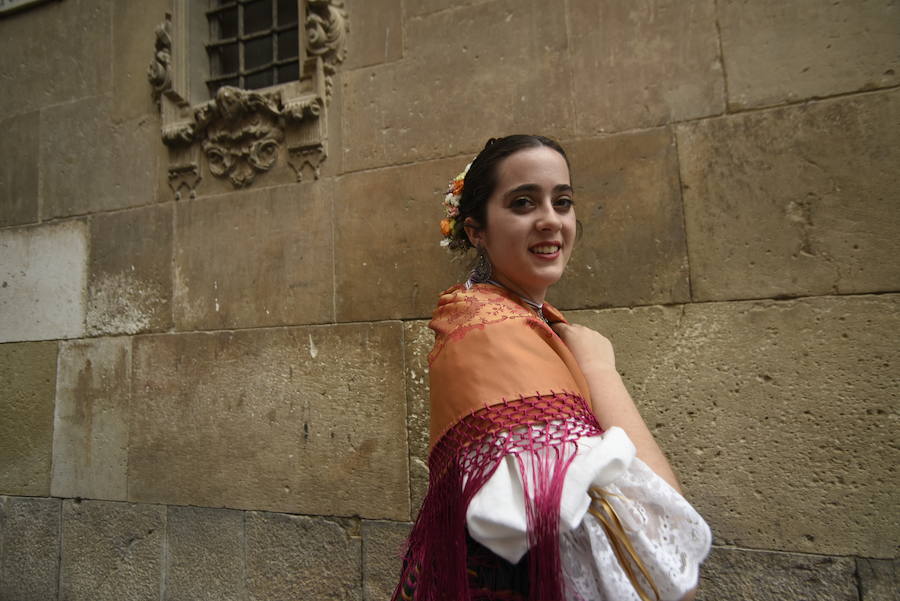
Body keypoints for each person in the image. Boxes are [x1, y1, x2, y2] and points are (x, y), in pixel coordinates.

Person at [394, 135, 711, 601]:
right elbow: (652, 553)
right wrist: (601, 370)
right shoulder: (492, 333)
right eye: (523, 202)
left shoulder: (517, 317)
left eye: (562, 201)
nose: (551, 220)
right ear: (476, 230)